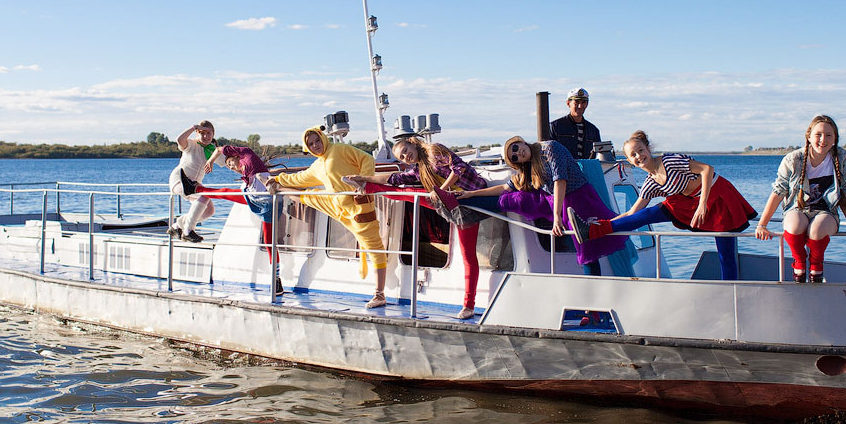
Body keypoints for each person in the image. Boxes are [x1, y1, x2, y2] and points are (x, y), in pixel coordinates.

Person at [566, 131, 757, 280]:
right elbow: (632, 213)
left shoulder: (670, 161)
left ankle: (730, 288)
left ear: (648, 149)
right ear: (629, 161)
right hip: (687, 200)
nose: (639, 156)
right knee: (646, 215)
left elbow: (707, 169)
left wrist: (702, 203)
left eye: (641, 150)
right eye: (633, 155)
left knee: (725, 249)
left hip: (716, 194)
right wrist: (603, 222)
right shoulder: (651, 183)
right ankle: (592, 231)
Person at [344, 136, 490, 320]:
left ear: (412, 144)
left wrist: (441, 190)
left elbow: (459, 168)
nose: (406, 157)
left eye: (405, 151)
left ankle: (469, 306)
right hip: (451, 204)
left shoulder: (434, 151)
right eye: (402, 158)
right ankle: (368, 187)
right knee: (407, 193)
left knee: (468, 256)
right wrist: (363, 177)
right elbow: (394, 178)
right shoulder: (418, 171)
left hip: (472, 200)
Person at [457, 136, 626, 274]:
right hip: (554, 200)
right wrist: (470, 194)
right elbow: (504, 188)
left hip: (580, 199)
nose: (518, 153)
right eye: (514, 157)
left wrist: (557, 218)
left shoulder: (549, 148)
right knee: (511, 198)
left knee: (587, 249)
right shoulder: (528, 168)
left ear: (520, 141)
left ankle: (594, 308)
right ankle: (459, 200)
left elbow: (560, 180)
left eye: (515, 148)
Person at [265, 127, 390, 309]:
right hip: (335, 203)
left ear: (323, 138)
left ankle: (379, 295)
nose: (315, 145)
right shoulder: (317, 166)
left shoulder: (340, 149)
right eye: (311, 144)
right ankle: (276, 189)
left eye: (317, 140)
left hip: (358, 205)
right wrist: (278, 179)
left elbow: (367, 159)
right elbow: (299, 179)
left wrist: (363, 182)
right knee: (306, 196)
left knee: (374, 246)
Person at [753, 115, 846, 283]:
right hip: (797, 209)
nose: (823, 140)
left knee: (817, 229)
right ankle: (799, 262)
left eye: (828, 135)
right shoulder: (793, 159)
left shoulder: (840, 157)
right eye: (818, 134)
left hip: (827, 212)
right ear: (809, 136)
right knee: (795, 223)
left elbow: (844, 192)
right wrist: (762, 224)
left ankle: (816, 266)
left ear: (835, 138)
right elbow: (778, 192)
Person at [196, 143, 282, 296]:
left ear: (236, 156)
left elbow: (219, 149)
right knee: (226, 192)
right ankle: (197, 189)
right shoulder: (244, 175)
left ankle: (276, 279)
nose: (230, 166)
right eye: (228, 167)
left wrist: (210, 161)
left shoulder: (247, 155)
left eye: (230, 163)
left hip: (269, 203)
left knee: (270, 241)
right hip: (255, 199)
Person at [168, 121, 221, 243]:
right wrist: (193, 127)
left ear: (213, 134)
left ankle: (177, 226)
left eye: (209, 133)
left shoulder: (212, 150)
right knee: (205, 195)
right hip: (180, 180)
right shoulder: (191, 144)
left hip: (194, 184)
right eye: (202, 133)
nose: (206, 136)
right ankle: (188, 231)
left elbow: (230, 162)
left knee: (209, 211)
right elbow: (179, 139)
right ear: (197, 133)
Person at [549, 87, 601, 159]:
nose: (580, 106)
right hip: (563, 169)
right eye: (576, 102)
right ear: (568, 103)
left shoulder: (593, 130)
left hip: (586, 169)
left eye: (583, 102)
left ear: (587, 104)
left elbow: (598, 155)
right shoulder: (555, 127)